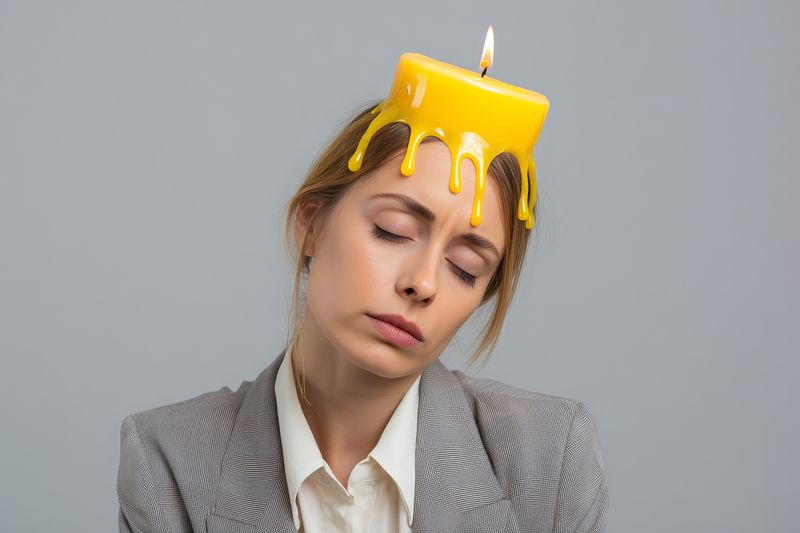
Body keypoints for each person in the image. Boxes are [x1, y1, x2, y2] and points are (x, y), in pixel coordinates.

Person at [116, 101, 609, 533]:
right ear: (311, 224)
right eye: (393, 230)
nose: (423, 283)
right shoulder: (168, 459)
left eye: (465, 267)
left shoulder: (550, 457)